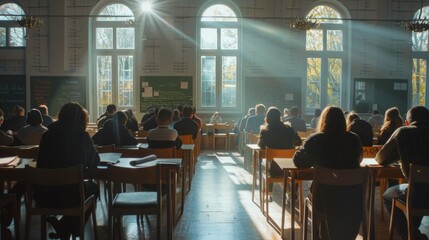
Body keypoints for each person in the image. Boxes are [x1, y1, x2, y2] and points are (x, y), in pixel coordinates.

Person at [293, 106, 363, 239]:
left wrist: (301, 149)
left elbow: (300, 162)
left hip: (324, 199)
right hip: (352, 199)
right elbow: (359, 160)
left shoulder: (316, 140)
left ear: (323, 120)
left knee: (322, 193)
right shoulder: (354, 139)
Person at [36, 102, 100, 239]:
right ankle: (68, 228)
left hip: (44, 195)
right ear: (81, 119)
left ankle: (64, 228)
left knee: (76, 189)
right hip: (72, 196)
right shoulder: (81, 136)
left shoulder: (47, 135)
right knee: (93, 188)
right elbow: (95, 161)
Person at [375, 106, 429, 240]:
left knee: (389, 195)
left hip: (417, 194)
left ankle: (409, 235)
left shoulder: (403, 132)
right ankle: (414, 231)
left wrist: (400, 155)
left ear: (407, 121)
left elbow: (381, 158)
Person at [258, 107, 302, 177]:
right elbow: (299, 142)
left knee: (264, 163)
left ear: (267, 118)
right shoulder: (289, 129)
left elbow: (260, 145)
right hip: (289, 169)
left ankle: (266, 186)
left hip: (274, 171)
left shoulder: (265, 131)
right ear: (280, 117)